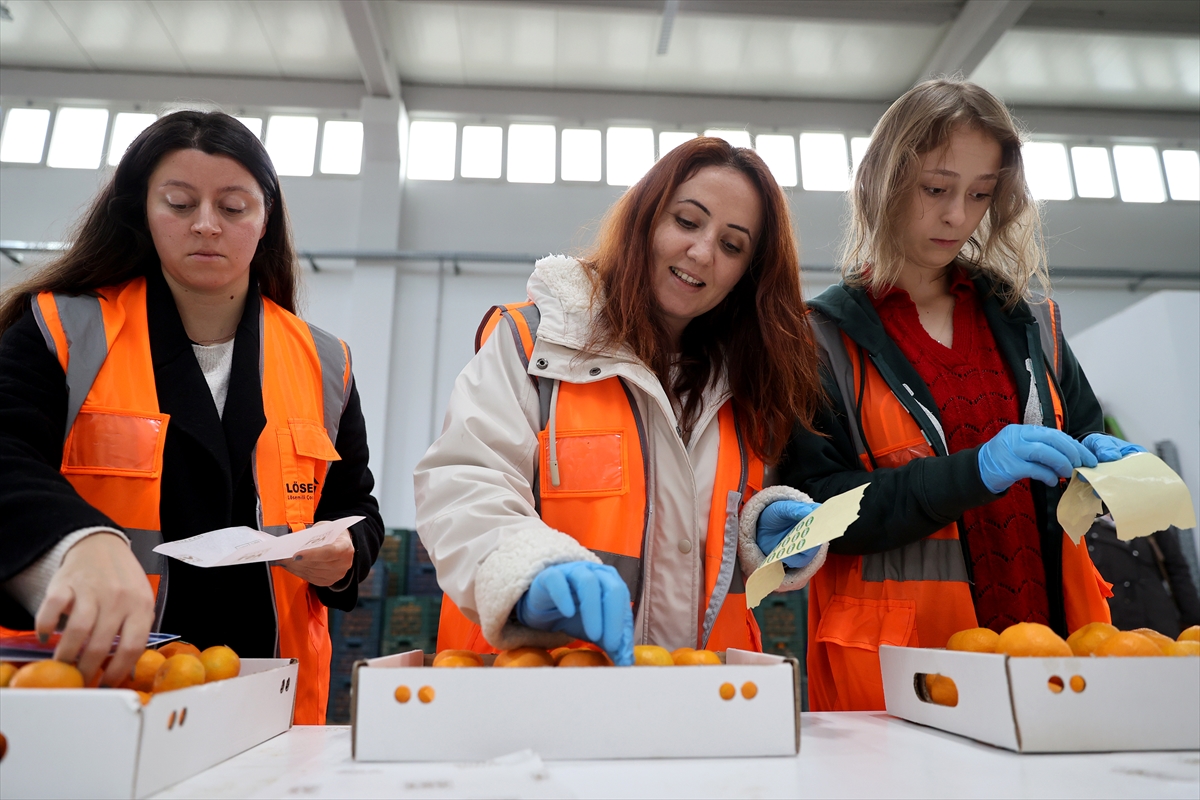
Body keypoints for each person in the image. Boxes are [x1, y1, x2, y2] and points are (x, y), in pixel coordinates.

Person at [0, 111, 383, 724]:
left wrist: (346, 552)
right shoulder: (61, 330)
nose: (206, 225)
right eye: (179, 203)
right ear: (141, 213)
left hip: (271, 702)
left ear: (265, 220)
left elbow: (355, 506)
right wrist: (74, 541)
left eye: (233, 207)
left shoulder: (324, 360)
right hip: (101, 691)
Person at [778, 79, 1139, 711]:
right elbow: (815, 507)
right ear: (882, 183)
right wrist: (971, 473)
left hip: (1054, 655)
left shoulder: (1032, 324)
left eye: (980, 194)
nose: (957, 217)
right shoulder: (820, 339)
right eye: (936, 189)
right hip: (912, 676)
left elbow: (1083, 448)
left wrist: (1112, 475)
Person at [414, 138, 827, 664]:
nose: (701, 252)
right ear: (646, 219)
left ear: (750, 272)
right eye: (687, 221)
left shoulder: (747, 383)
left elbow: (703, 529)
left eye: (732, 245)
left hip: (701, 696)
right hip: (537, 682)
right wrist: (526, 569)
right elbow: (463, 483)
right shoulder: (535, 343)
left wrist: (759, 534)